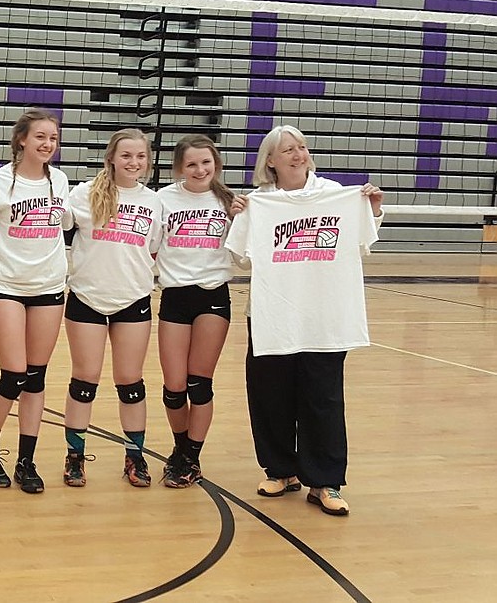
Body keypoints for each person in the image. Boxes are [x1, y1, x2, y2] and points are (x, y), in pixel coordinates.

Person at [227, 125, 383, 516]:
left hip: (326, 317)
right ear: (271, 162)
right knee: (270, 395)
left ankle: (325, 481)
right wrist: (239, 217)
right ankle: (280, 470)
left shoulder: (337, 196)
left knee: (323, 399)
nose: (298, 154)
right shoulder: (259, 203)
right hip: (273, 315)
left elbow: (366, 239)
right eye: (288, 150)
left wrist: (372, 208)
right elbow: (239, 256)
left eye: (302, 147)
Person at [0, 109, 69, 494]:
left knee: (36, 377)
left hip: (49, 287)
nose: (48, 144)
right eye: (41, 137)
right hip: (7, 287)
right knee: (14, 374)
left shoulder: (59, 181)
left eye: (54, 139)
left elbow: (72, 224)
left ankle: (26, 459)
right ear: (22, 140)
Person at [61, 128, 163, 488]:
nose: (133, 162)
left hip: (132, 299)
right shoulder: (84, 194)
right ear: (111, 158)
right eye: (126, 156)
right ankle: (74, 458)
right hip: (87, 298)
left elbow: (151, 250)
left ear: (147, 160)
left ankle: (135, 458)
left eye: (140, 156)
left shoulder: (154, 202)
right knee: (84, 380)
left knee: (130, 382)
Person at [154, 135, 235, 488]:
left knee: (198, 384)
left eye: (206, 162)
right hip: (175, 296)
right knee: (173, 387)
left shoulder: (230, 202)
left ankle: (190, 458)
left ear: (216, 163)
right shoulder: (163, 200)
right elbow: (149, 244)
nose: (200, 170)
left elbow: (246, 253)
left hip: (213, 296)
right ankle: (180, 448)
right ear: (179, 168)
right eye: (192, 164)